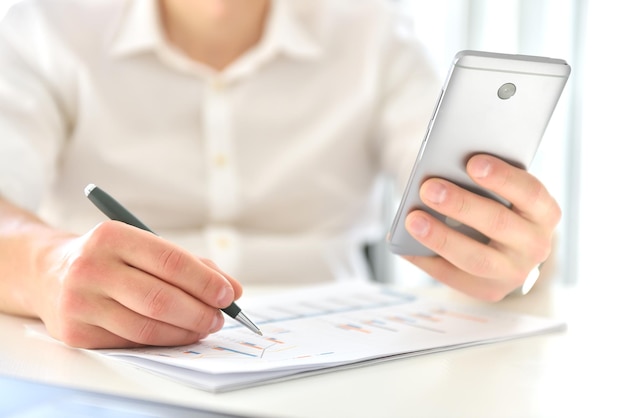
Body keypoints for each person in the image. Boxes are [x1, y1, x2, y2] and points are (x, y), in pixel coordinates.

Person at [0, 0, 561, 349]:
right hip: (109, 360)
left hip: (335, 359)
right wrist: (50, 265)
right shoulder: (46, 24)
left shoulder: (374, 29)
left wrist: (512, 252)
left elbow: (460, 198)